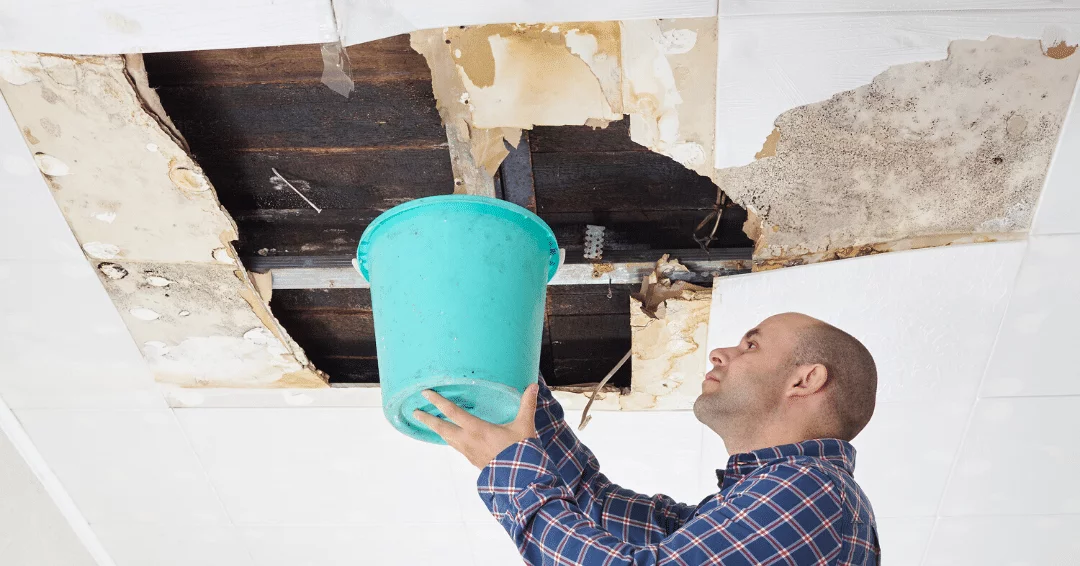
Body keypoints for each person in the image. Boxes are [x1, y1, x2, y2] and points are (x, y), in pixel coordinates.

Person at [415, 312, 881, 565]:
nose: (720, 352)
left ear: (805, 380)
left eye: (751, 345)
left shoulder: (812, 491)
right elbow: (591, 501)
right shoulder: (768, 498)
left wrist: (511, 470)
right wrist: (516, 379)